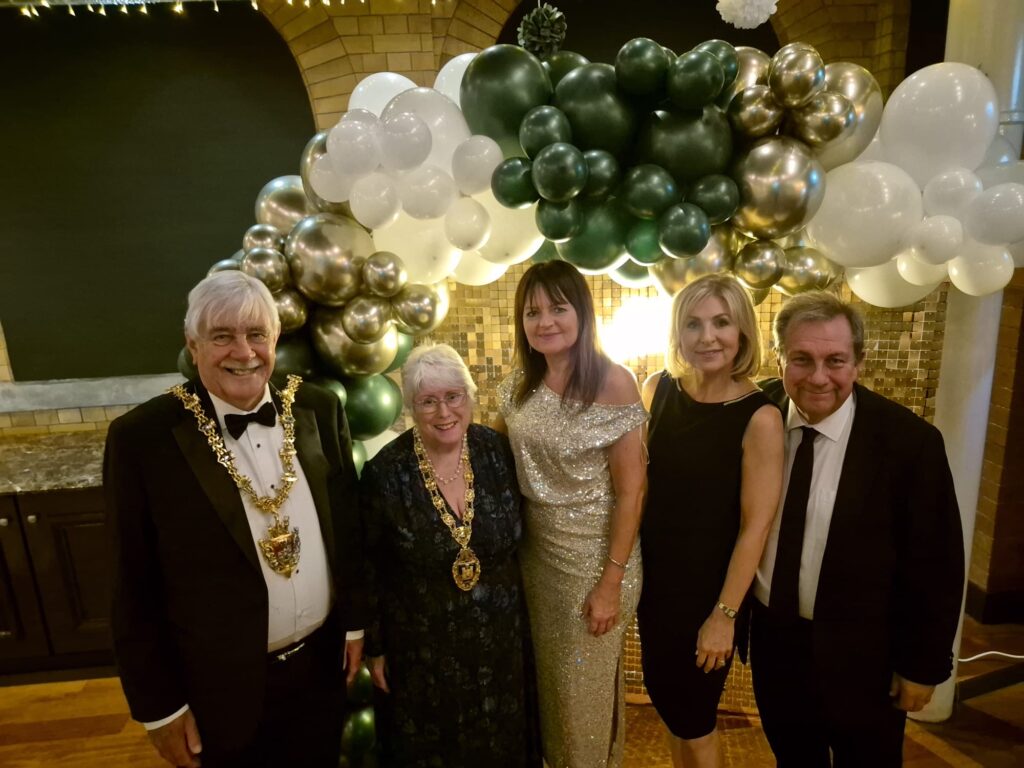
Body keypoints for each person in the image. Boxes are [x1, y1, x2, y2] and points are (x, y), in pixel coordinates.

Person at [104, 271, 365, 768]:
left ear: (275, 340)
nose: (243, 352)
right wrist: (160, 711)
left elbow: (346, 531)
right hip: (218, 692)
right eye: (222, 336)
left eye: (256, 335)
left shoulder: (317, 407)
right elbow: (131, 589)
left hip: (320, 672)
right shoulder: (143, 440)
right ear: (192, 344)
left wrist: (354, 626)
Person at [751, 291, 965, 767]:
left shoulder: (909, 444)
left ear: (859, 363)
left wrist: (923, 667)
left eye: (836, 360)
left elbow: (936, 565)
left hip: (864, 656)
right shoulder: (752, 415)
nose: (819, 377)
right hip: (775, 642)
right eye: (802, 359)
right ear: (779, 357)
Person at [496, 261, 647, 768]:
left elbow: (632, 492)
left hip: (596, 566)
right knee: (554, 697)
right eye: (532, 311)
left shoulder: (614, 382)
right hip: (536, 562)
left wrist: (610, 582)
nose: (545, 321)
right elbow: (495, 461)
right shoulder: (518, 383)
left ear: (582, 312)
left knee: (580, 699)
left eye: (558, 308)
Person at [359, 344, 538, 767]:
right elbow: (370, 566)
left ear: (470, 397)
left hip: (501, 643)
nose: (444, 413)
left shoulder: (497, 452)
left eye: (453, 397)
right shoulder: (385, 472)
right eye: (428, 401)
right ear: (411, 407)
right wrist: (376, 647)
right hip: (423, 651)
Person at [638, 274, 784, 768]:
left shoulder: (760, 417)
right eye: (694, 324)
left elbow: (755, 527)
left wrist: (723, 616)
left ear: (743, 330)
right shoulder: (656, 390)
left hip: (708, 597)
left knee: (696, 721)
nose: (707, 337)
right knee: (671, 710)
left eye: (722, 322)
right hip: (655, 589)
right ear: (678, 334)